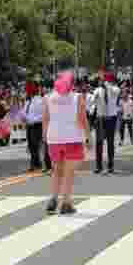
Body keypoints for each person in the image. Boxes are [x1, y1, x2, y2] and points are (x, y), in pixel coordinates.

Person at [43, 71, 87, 215]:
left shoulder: (48, 97)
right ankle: (66, 203)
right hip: (72, 137)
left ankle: (53, 198)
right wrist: (88, 136)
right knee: (69, 172)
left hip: (53, 138)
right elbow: (82, 119)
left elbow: (45, 119)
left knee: (56, 169)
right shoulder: (77, 97)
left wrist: (45, 136)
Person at [92, 73, 120, 175]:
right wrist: (94, 97)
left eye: (104, 80)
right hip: (100, 118)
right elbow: (93, 101)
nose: (101, 81)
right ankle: (98, 166)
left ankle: (110, 166)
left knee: (110, 143)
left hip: (111, 118)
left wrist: (106, 85)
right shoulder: (97, 90)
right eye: (101, 80)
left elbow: (112, 92)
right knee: (99, 143)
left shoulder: (115, 89)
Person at [22, 85, 48, 174]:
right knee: (31, 145)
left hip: (37, 125)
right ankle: (36, 164)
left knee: (37, 145)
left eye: (28, 92)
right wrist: (23, 117)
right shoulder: (28, 101)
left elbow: (42, 114)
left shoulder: (40, 101)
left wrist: (32, 120)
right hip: (29, 125)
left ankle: (41, 164)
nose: (26, 94)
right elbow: (25, 112)